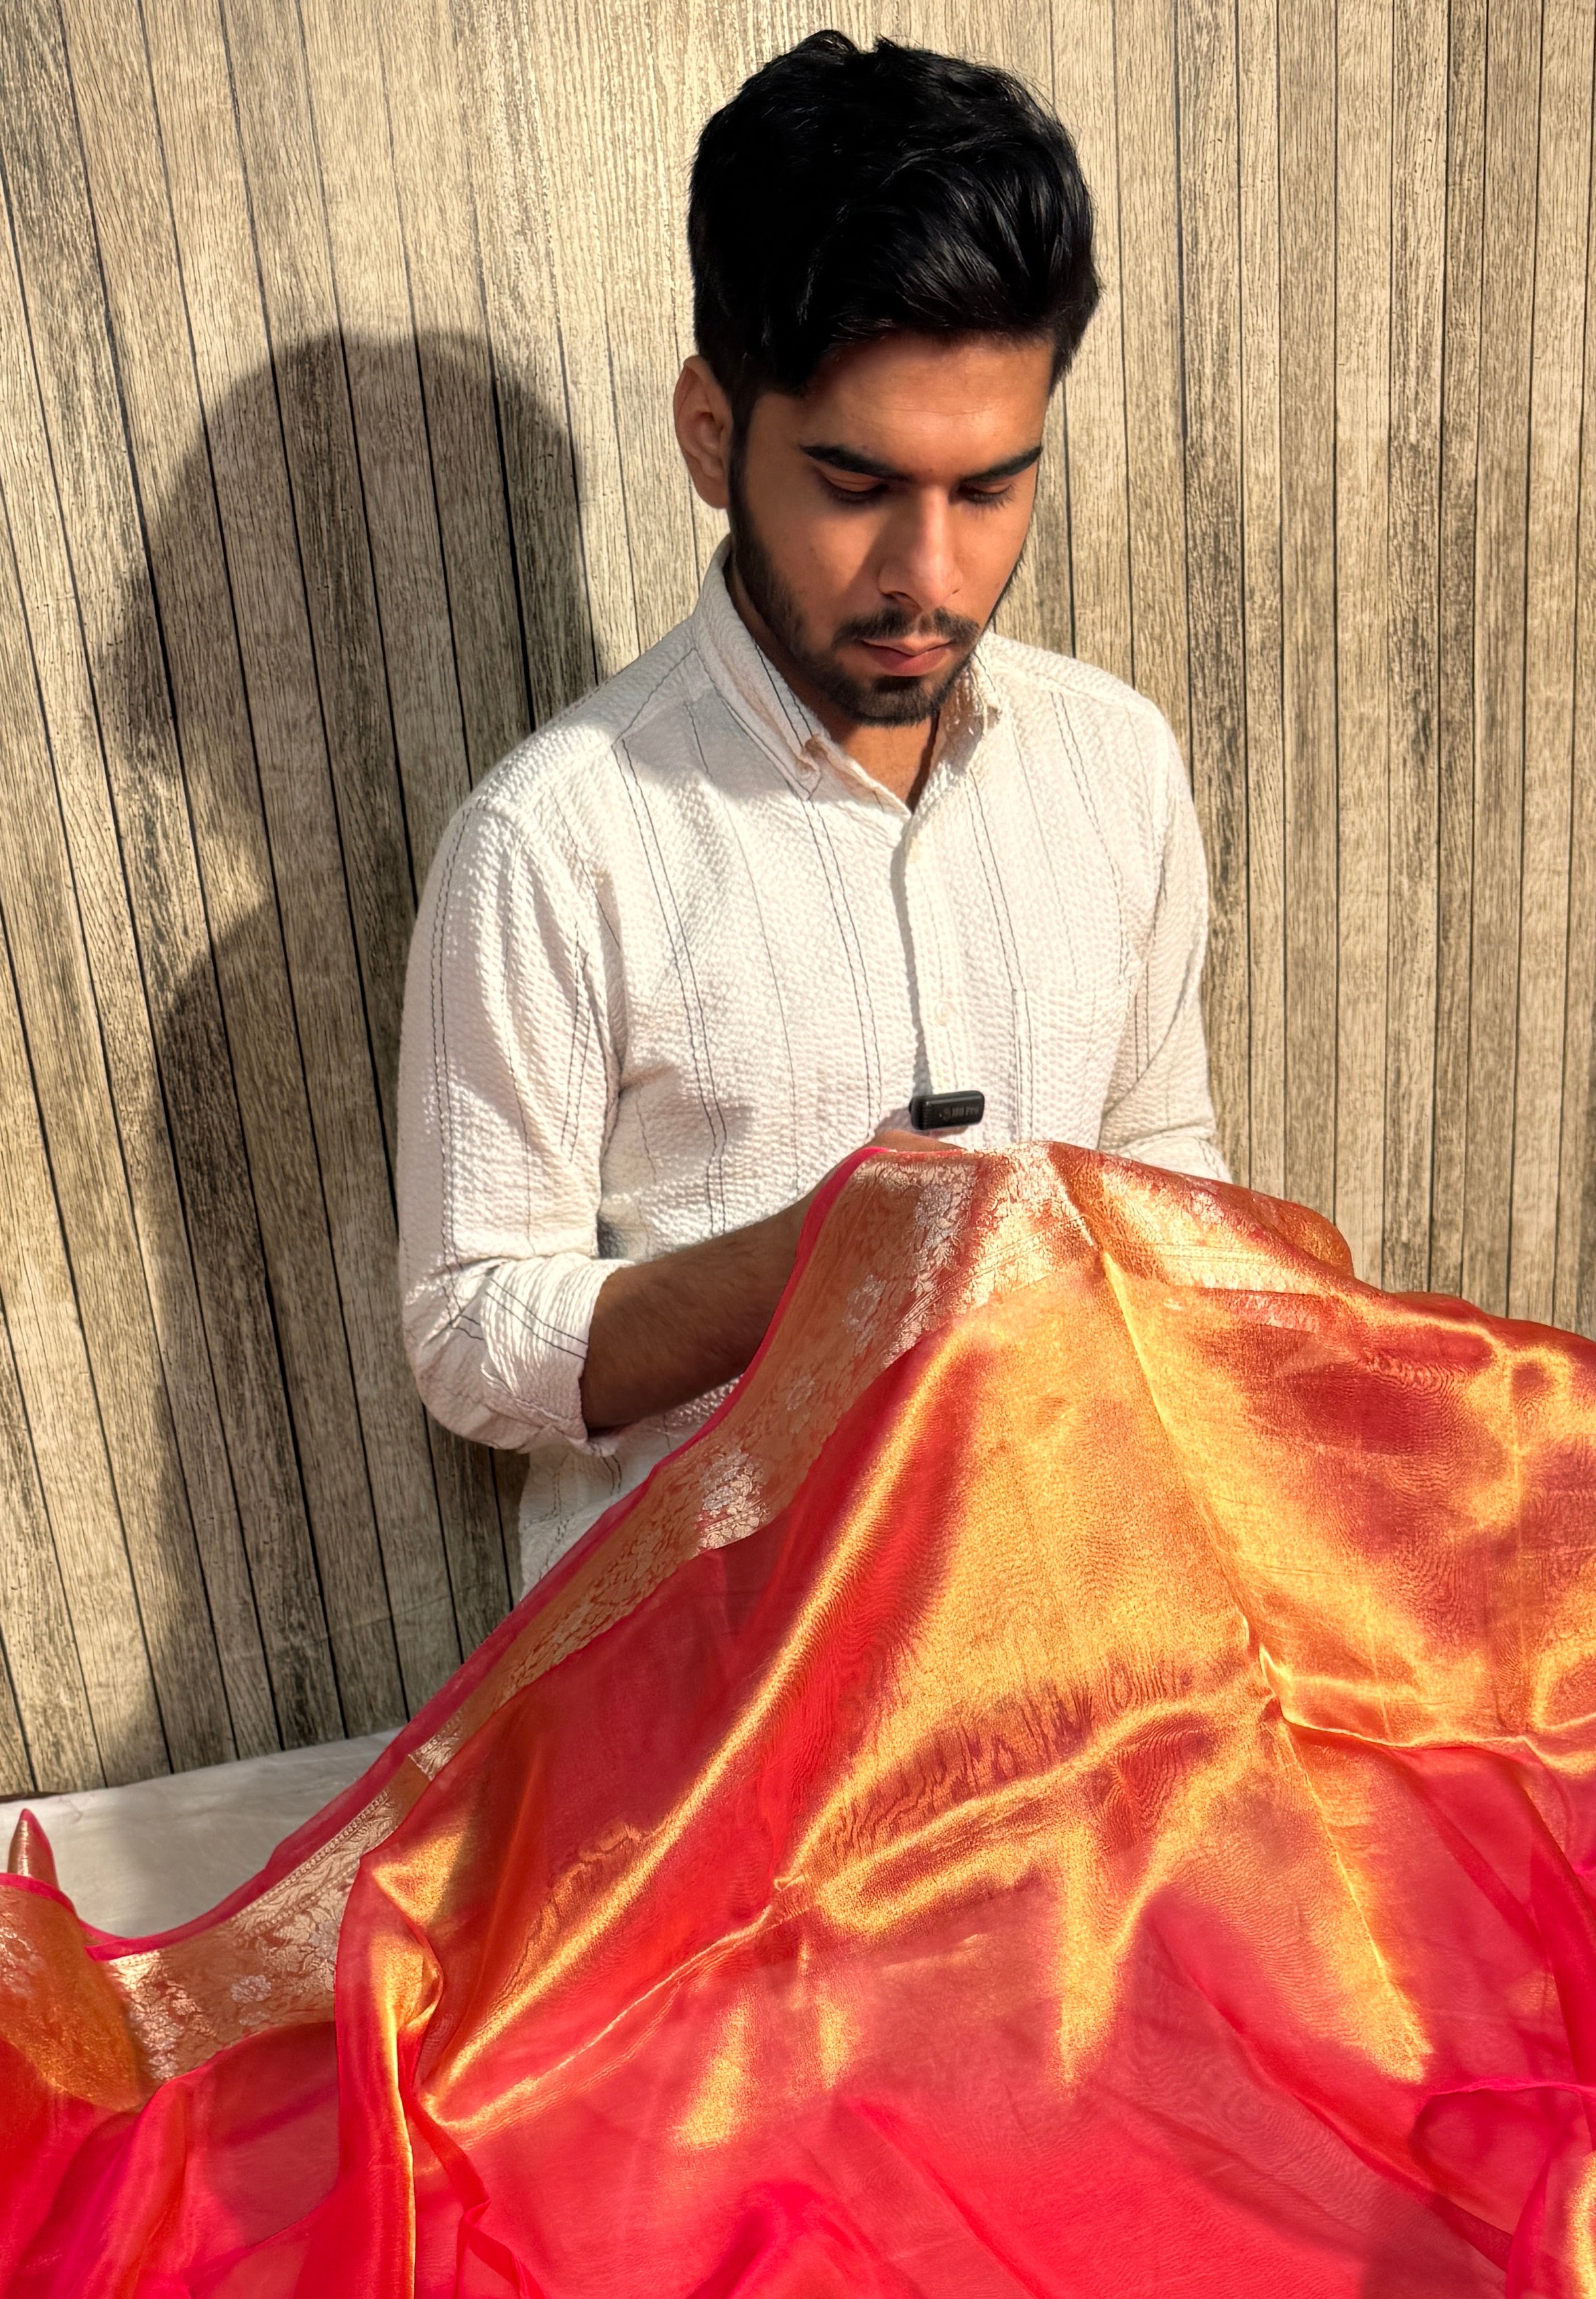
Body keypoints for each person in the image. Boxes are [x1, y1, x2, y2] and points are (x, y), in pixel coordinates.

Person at [398, 28, 1229, 1584]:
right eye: (858, 487)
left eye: (991, 488)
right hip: (712, 1683)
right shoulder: (555, 844)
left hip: (1080, 1615)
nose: (932, 573)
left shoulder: (1117, 762)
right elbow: (466, 1334)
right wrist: (819, 1270)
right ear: (713, 434)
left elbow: (1166, 1152)